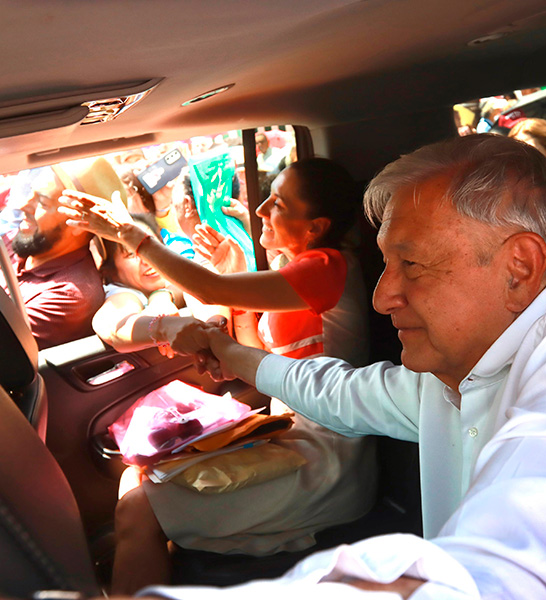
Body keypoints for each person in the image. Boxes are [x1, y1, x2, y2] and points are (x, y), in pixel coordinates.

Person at [91, 134, 546, 599]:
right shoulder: (454, 374)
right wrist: (231, 353)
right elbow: (340, 390)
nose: (380, 293)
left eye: (412, 265)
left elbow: (516, 560)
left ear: (520, 267)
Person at [59, 158, 375, 595]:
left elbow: (210, 291)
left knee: (137, 509)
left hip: (326, 459)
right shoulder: (301, 272)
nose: (260, 209)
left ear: (315, 227)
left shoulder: (328, 266)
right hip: (289, 435)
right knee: (136, 477)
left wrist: (132, 235)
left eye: (277, 203)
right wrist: (232, 285)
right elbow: (259, 357)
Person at [10, 158, 125, 349]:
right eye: (31, 194)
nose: (23, 206)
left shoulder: (69, 296)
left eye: (42, 203)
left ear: (79, 224)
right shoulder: (29, 245)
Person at [91, 213, 229, 352]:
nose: (146, 260)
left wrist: (161, 296)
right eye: (132, 254)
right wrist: (162, 328)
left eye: (150, 246)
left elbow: (199, 280)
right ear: (110, 270)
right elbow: (114, 328)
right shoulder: (123, 293)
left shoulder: (176, 269)